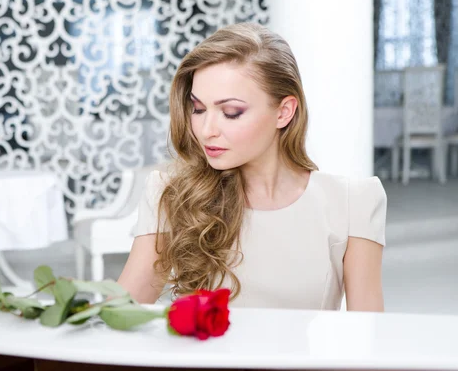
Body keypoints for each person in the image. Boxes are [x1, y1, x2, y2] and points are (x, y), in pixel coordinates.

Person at [117, 22, 386, 311]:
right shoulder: (172, 194)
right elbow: (119, 314)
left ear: (284, 112)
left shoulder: (350, 203)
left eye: (231, 112)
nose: (206, 129)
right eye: (198, 108)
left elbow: (367, 335)